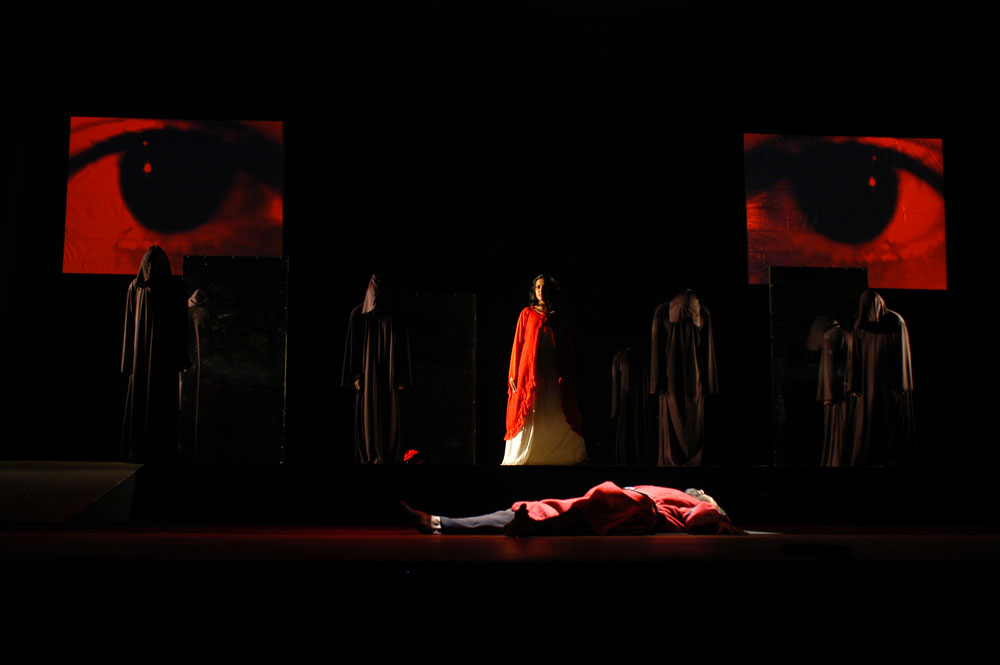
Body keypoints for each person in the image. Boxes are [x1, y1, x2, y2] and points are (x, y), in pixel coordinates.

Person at [401, 481, 740, 536]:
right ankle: (439, 522)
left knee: (560, 513)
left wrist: (719, 518)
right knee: (539, 509)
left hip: (633, 508)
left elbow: (701, 517)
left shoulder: (695, 501)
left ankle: (535, 526)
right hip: (619, 503)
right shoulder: (676, 491)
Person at [502, 274, 586, 465]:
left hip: (554, 370)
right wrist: (513, 373)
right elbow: (518, 344)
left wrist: (570, 373)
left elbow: (567, 347)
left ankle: (558, 454)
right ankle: (529, 453)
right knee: (533, 407)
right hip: (531, 371)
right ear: (534, 291)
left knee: (553, 404)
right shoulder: (527, 314)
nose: (541, 291)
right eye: (538, 287)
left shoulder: (559, 317)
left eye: (544, 287)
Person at [342, 274, 413, 464]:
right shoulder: (358, 315)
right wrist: (355, 375)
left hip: (390, 373)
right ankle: (371, 453)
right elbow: (353, 346)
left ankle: (389, 454)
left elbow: (402, 347)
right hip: (368, 373)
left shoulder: (396, 315)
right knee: (370, 409)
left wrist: (401, 377)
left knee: (390, 411)